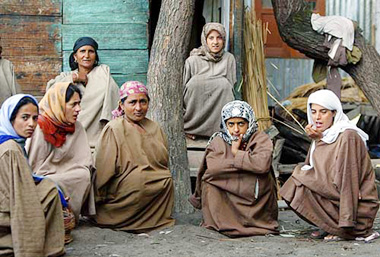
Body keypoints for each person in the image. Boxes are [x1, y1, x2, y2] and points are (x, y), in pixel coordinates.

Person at [280, 89, 379, 241]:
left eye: (323, 112)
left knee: (300, 176)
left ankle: (345, 230)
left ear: (334, 113)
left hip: (357, 208)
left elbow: (348, 180)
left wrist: (347, 221)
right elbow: (318, 170)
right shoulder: (325, 135)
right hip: (336, 195)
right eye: (313, 112)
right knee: (294, 185)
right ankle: (329, 225)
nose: (317, 117)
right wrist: (318, 140)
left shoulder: (348, 136)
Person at [93, 81, 175, 233]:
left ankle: (152, 220)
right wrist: (99, 195)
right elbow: (104, 167)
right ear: (122, 105)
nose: (138, 108)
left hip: (155, 179)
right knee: (139, 181)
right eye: (133, 102)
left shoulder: (154, 127)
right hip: (123, 185)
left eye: (143, 102)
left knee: (165, 179)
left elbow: (162, 160)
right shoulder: (114, 128)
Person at [189, 100, 279, 237]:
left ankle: (253, 223)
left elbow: (261, 165)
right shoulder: (218, 141)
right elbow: (214, 168)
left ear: (249, 123)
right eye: (231, 124)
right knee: (209, 181)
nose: (236, 130)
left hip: (254, 195)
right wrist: (247, 165)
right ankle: (221, 222)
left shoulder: (260, 139)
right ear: (225, 125)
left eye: (241, 124)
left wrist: (237, 153)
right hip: (226, 190)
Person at [0, 94, 65, 256]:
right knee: (49, 191)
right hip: (4, 212)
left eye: (35, 118)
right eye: (25, 117)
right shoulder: (10, 149)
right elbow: (21, 199)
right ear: (10, 118)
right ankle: (39, 246)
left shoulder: (12, 142)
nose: (32, 124)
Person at [26, 82, 95, 221]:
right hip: (43, 174)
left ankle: (68, 216)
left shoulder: (77, 127)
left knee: (83, 175)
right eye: (73, 104)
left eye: (79, 104)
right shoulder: (40, 127)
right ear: (59, 104)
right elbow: (32, 166)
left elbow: (84, 160)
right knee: (49, 182)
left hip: (69, 172)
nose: (78, 109)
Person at [46, 37, 119, 150]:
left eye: (91, 51)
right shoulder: (65, 77)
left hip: (97, 137)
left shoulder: (103, 74)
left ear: (95, 56)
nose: (87, 55)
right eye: (82, 51)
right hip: (71, 136)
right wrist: (74, 78)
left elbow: (115, 99)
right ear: (75, 56)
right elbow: (51, 92)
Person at [183, 22, 236, 139]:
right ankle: (191, 128)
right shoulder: (192, 60)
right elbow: (184, 90)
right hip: (192, 119)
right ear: (205, 40)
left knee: (224, 86)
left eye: (219, 38)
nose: (215, 42)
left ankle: (220, 129)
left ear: (224, 40)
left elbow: (231, 88)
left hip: (219, 119)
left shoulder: (228, 59)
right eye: (211, 38)